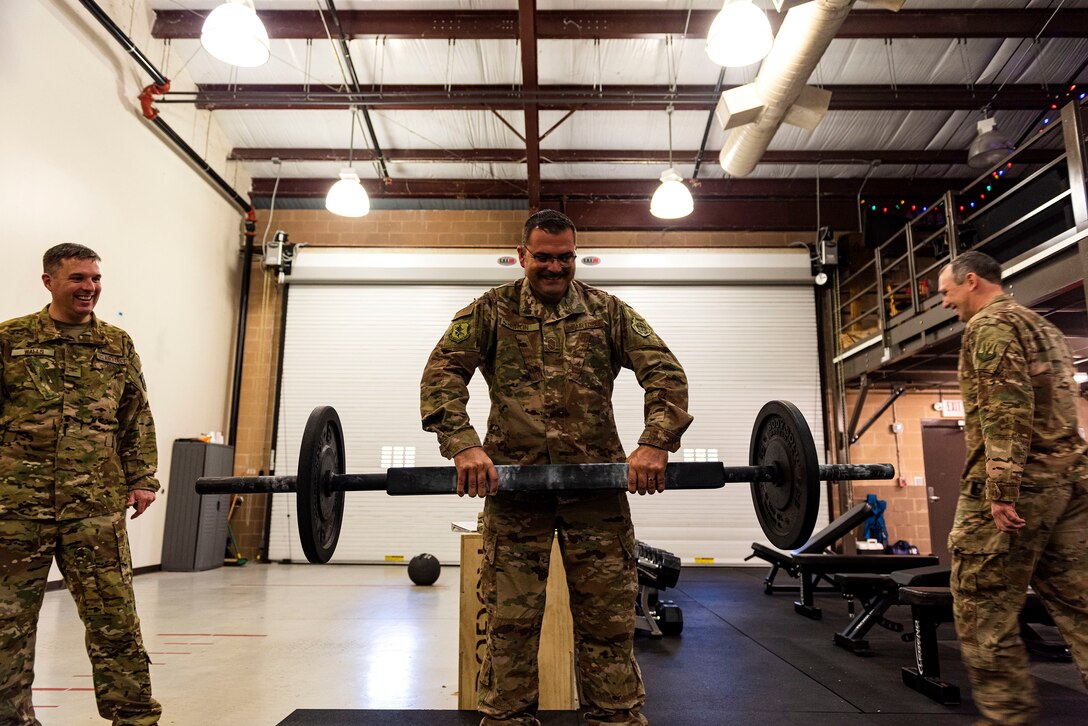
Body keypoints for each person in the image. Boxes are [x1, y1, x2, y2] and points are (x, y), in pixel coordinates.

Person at [421, 210, 692, 725]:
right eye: (542, 257)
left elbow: (665, 372)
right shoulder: (490, 312)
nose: (554, 267)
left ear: (577, 255)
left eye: (565, 257)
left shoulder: (607, 312)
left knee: (609, 624)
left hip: (596, 498)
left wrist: (656, 443)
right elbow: (442, 374)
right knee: (508, 625)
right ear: (521, 255)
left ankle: (614, 721)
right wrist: (462, 444)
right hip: (516, 497)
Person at [0, 244, 162, 725]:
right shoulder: (11, 339)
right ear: (49, 281)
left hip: (94, 507)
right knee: (7, 625)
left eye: (94, 278)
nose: (88, 287)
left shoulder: (116, 344)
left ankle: (133, 717)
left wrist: (143, 478)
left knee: (115, 621)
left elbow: (135, 417)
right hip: (15, 508)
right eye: (77, 278)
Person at [938, 250, 1088, 725]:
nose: (945, 304)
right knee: (1081, 609)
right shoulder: (1045, 329)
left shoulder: (989, 326)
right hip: (1068, 483)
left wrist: (1001, 488)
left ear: (972, 282)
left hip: (1017, 490)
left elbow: (1008, 407)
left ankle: (1007, 718)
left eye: (947, 292)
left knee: (982, 608)